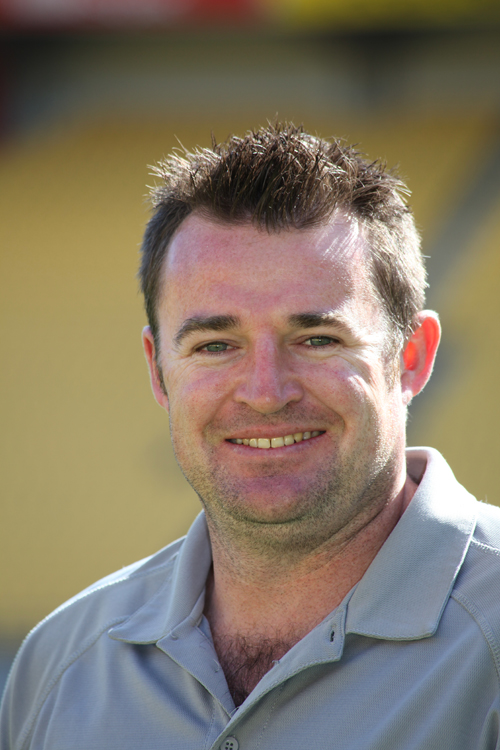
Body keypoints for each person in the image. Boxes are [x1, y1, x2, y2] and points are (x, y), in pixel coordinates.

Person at [2, 123, 500, 750]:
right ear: (158, 370)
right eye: (216, 345)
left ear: (411, 357)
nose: (265, 392)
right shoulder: (59, 664)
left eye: (317, 339)